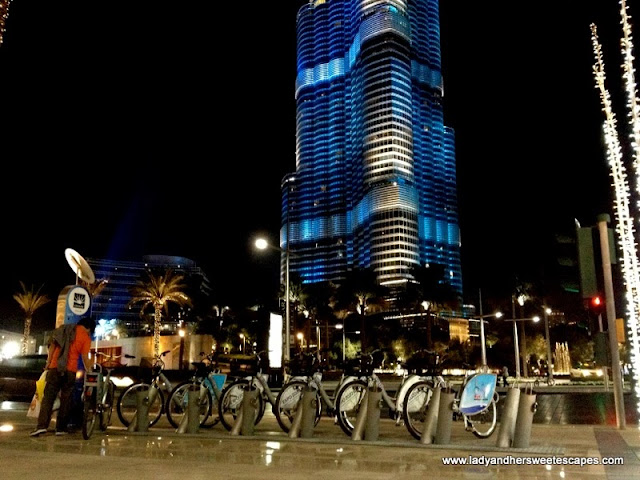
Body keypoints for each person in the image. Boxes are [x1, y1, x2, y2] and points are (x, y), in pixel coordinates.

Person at [30, 317, 94, 436]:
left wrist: (49, 362)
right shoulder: (85, 337)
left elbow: (52, 347)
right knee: (66, 399)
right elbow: (85, 358)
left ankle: (41, 426)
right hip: (70, 371)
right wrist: (89, 370)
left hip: (55, 367)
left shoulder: (63, 330)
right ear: (89, 328)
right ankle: (60, 428)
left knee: (48, 398)